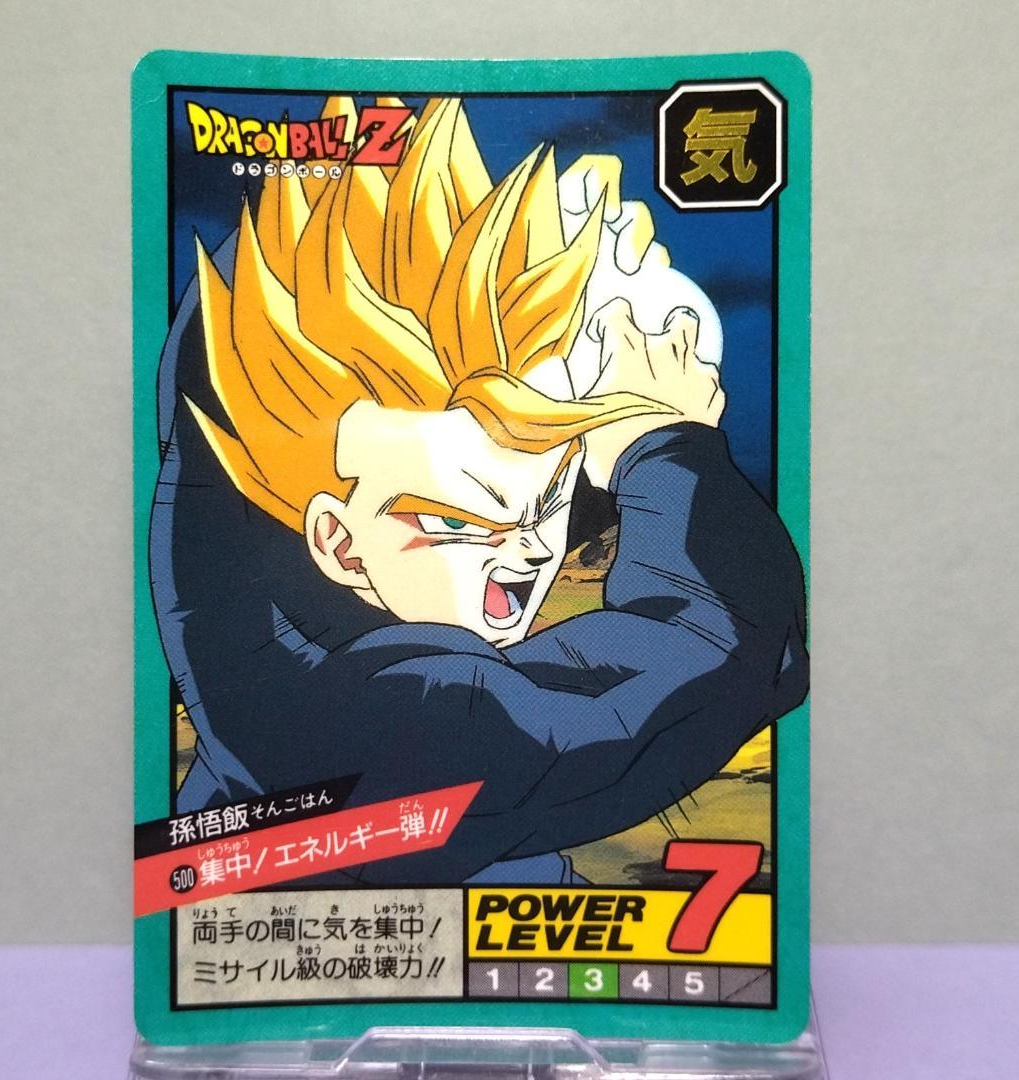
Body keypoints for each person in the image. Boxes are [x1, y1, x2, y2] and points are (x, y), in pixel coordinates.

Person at [149, 96, 808, 885]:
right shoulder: (370, 721)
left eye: (550, 501)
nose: (529, 552)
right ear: (339, 543)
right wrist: (664, 445)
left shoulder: (284, 665)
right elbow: (699, 661)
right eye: (466, 523)